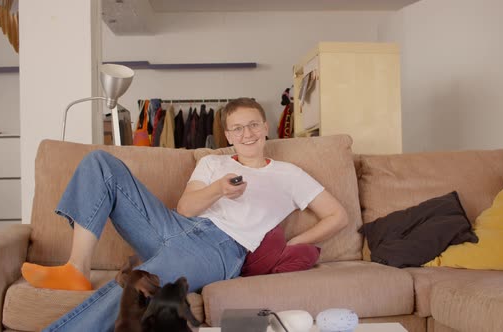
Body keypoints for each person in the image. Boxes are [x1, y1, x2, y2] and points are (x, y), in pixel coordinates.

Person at [21, 97, 348, 331]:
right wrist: (219, 189)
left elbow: (337, 215)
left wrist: (292, 245)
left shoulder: (288, 173)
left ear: (265, 127)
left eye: (252, 125)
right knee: (100, 164)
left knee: (139, 283)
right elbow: (186, 208)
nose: (246, 134)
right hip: (176, 225)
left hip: (219, 248)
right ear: (228, 135)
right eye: (236, 129)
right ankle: (77, 268)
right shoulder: (213, 164)